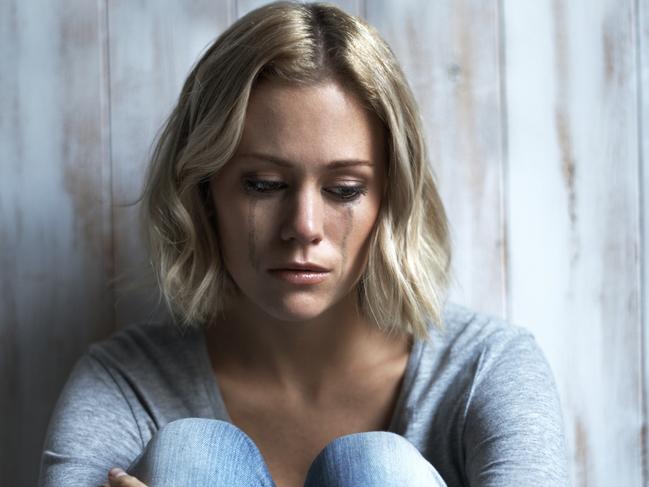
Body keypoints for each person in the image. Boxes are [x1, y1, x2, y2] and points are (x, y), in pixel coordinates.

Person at [38, 2, 571, 486]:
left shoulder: (485, 370)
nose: (304, 225)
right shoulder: (126, 385)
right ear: (203, 193)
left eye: (344, 190)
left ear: (391, 199)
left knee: (377, 470)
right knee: (190, 453)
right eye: (264, 185)